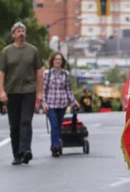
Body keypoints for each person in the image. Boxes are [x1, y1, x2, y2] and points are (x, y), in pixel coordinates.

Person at [0, 22, 43, 165]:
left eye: (23, 30)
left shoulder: (33, 51)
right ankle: (17, 154)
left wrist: (39, 92)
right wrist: (1, 91)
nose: (21, 33)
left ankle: (26, 150)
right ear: (13, 35)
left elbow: (39, 71)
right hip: (11, 92)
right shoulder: (6, 51)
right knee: (14, 125)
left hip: (28, 91)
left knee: (26, 121)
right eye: (18, 31)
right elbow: (1, 72)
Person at [43, 52, 78, 157]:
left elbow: (68, 90)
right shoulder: (47, 73)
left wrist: (74, 102)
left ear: (62, 61)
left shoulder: (66, 74)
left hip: (62, 103)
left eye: (60, 59)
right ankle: (56, 146)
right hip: (51, 104)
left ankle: (54, 144)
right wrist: (44, 103)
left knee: (58, 126)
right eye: (56, 59)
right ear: (52, 61)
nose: (58, 61)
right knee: (54, 125)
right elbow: (43, 90)